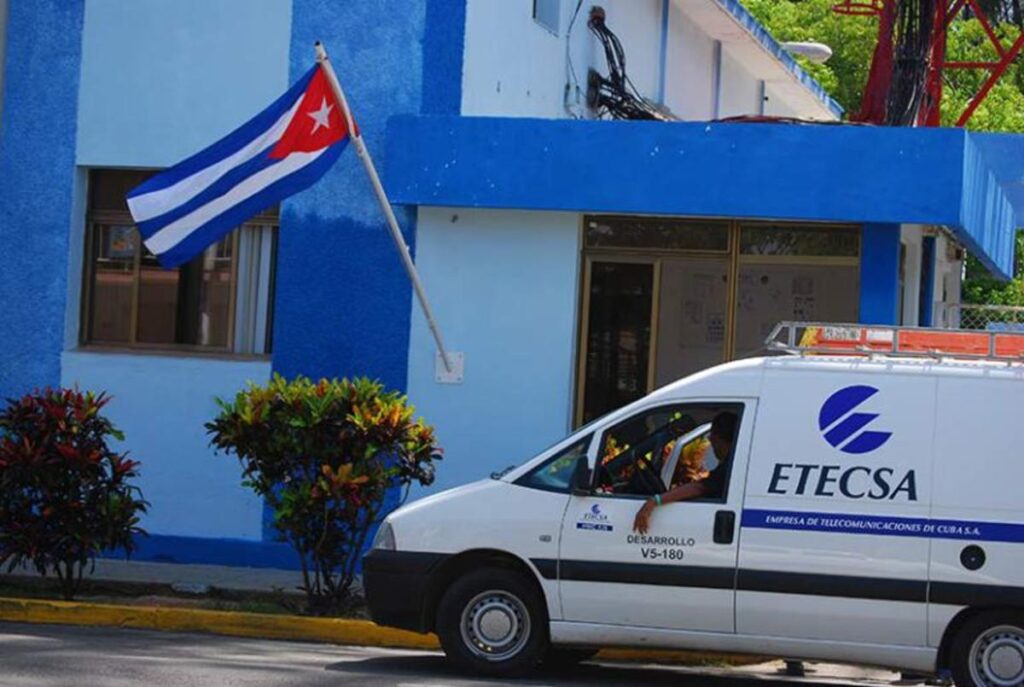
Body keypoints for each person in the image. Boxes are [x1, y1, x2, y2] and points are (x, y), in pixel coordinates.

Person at [633, 412, 738, 535]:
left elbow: (700, 487)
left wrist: (655, 500)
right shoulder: (736, 463)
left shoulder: (730, 466)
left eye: (712, 436)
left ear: (717, 438)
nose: (710, 440)